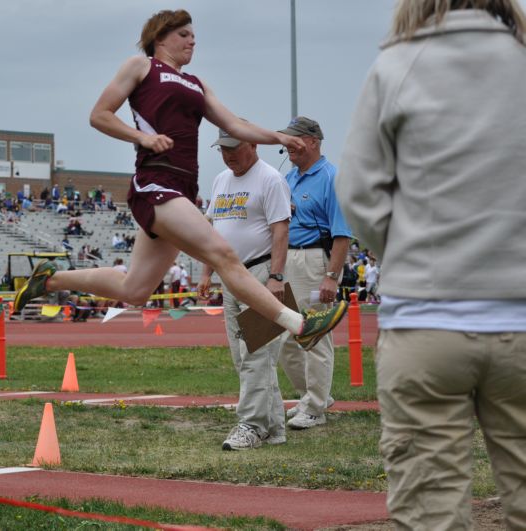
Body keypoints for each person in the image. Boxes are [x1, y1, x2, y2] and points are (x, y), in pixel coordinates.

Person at [13, 9, 346, 350]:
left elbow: (235, 126)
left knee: (136, 289)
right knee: (223, 254)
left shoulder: (197, 84)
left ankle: (49, 279)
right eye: (184, 34)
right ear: (160, 37)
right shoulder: (141, 67)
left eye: (194, 36)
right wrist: (142, 138)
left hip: (182, 191)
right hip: (155, 182)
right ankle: (300, 323)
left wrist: (280, 138)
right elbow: (99, 115)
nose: (192, 40)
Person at [335, 2, 526, 528]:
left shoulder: (397, 65)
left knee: (430, 512)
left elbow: (357, 190)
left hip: (426, 318)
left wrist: (407, 251)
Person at [198, 127, 291, 450]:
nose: (228, 155)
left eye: (234, 149)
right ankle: (274, 426)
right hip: (230, 278)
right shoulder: (221, 179)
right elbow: (213, 232)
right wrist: (207, 273)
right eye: (223, 149)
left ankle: (251, 425)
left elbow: (281, 230)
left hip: (260, 274)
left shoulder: (270, 179)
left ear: (253, 144)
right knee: (246, 360)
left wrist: (276, 277)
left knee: (256, 355)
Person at [275, 116, 352, 431]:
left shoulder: (332, 178)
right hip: (287, 259)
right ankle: (312, 397)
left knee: (314, 336)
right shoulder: (289, 178)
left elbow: (342, 234)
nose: (287, 146)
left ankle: (315, 405)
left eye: (293, 139)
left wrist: (331, 276)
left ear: (313, 141)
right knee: (285, 337)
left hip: (314, 260)